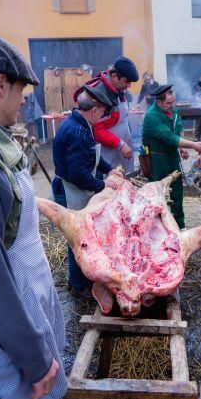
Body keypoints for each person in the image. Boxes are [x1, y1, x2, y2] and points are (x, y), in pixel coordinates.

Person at [0, 32, 67, 399]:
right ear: (1, 83)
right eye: (20, 89)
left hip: (18, 331)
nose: (24, 100)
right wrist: (34, 358)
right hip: (2, 351)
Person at [53, 84, 122, 298]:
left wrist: (108, 169)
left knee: (81, 235)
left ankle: (80, 279)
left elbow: (92, 156)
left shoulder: (81, 124)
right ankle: (78, 285)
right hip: (70, 188)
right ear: (94, 110)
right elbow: (77, 173)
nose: (102, 117)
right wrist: (103, 185)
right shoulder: (78, 131)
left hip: (74, 186)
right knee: (78, 238)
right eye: (102, 112)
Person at [142, 85, 201, 229]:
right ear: (159, 102)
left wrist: (183, 147)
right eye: (169, 103)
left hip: (172, 157)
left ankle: (179, 224)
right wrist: (194, 145)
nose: (173, 106)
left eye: (174, 102)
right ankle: (157, 226)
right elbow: (169, 137)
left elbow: (178, 129)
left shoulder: (174, 112)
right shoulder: (152, 116)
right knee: (158, 192)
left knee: (177, 190)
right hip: (156, 159)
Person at [73, 56, 139, 173]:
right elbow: (96, 130)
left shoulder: (118, 89)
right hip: (106, 153)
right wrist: (120, 144)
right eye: (126, 81)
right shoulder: (99, 93)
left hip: (121, 149)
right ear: (114, 76)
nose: (129, 86)